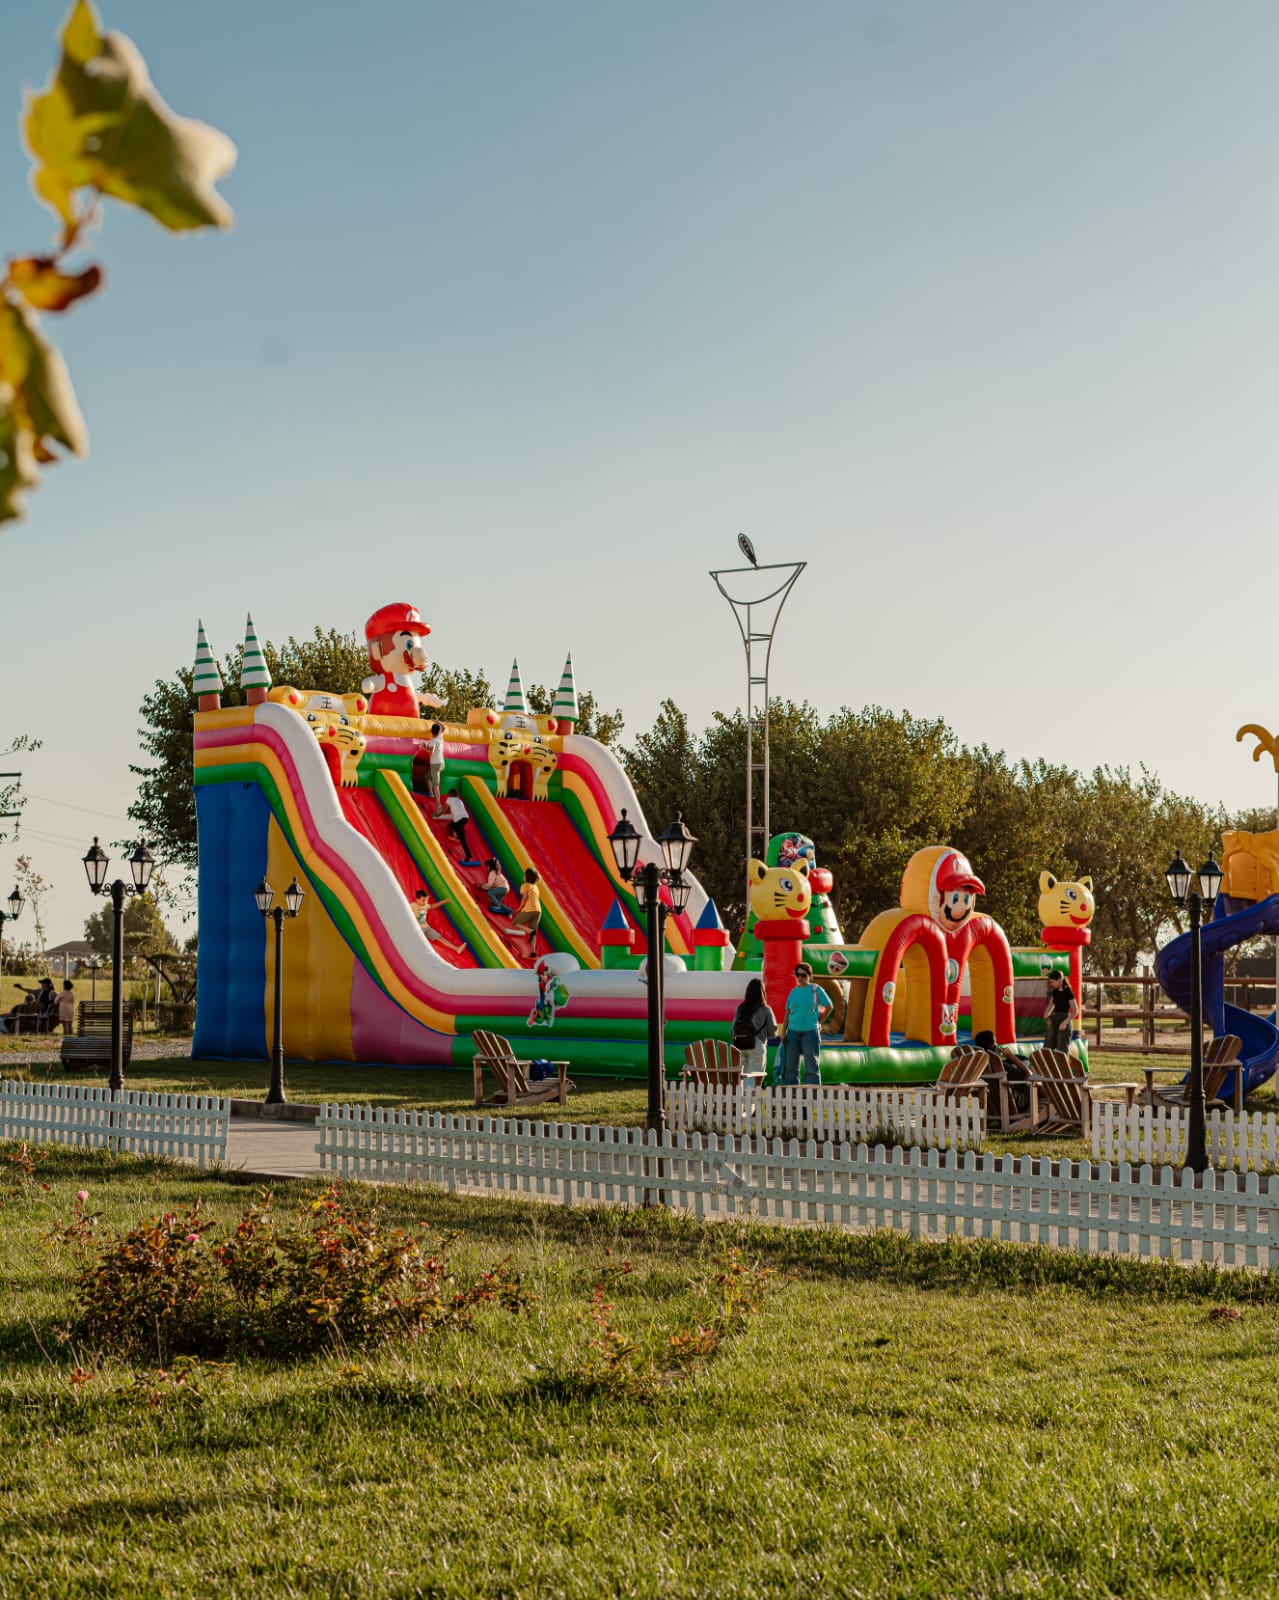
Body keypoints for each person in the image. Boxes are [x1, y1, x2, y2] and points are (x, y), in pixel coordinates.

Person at [780, 963, 830, 1086]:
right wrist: (783, 1032)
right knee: (791, 1066)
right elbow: (788, 1013)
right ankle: (791, 1093)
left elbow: (829, 1006)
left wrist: (819, 1021)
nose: (800, 978)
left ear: (810, 976)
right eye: (798, 975)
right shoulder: (793, 992)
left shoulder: (816, 989)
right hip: (792, 1033)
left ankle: (813, 1094)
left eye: (803, 975)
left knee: (811, 1065)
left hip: (810, 1032)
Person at [970, 1028, 1030, 1118]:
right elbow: (1028, 1074)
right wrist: (1011, 1056)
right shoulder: (1000, 1066)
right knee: (1036, 1080)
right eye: (996, 1042)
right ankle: (1050, 1104)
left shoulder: (979, 1064)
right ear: (991, 1046)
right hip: (1015, 1103)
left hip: (992, 1106)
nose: (998, 1045)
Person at [732, 976, 776, 1088]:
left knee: (740, 1075)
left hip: (739, 1044)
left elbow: (733, 1029)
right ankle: (749, 1098)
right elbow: (773, 1032)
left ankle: (739, 1096)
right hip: (757, 1044)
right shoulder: (765, 1009)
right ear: (762, 992)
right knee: (754, 1075)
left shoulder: (741, 1007)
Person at [411, 887, 464, 956]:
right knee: (421, 940)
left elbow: (433, 906)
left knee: (440, 938)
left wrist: (443, 902)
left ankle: (456, 949)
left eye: (426, 900)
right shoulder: (413, 905)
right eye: (423, 900)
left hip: (426, 927)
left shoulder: (425, 906)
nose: (425, 902)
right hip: (418, 927)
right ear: (417, 899)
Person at [1043, 968, 1078, 1052]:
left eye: (1052, 982)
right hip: (1055, 1020)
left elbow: (1075, 1011)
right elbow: (1051, 1004)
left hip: (1064, 1020)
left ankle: (1062, 1061)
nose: (1051, 984)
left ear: (1059, 980)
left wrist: (1064, 1023)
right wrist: (1047, 1014)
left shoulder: (1068, 992)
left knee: (1061, 1050)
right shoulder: (1055, 991)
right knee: (1047, 1048)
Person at [443, 792, 479, 866]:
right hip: (465, 818)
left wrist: (438, 814)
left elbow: (445, 810)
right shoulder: (460, 801)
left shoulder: (450, 799)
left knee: (462, 839)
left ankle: (468, 855)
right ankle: (459, 834)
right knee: (453, 825)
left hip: (459, 819)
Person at [511, 868, 542, 951]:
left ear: (527, 877)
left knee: (515, 923)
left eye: (524, 875)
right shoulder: (535, 887)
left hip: (530, 909)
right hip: (538, 911)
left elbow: (525, 897)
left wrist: (521, 907)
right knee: (533, 933)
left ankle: (529, 931)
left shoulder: (525, 886)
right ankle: (533, 952)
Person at [422, 722, 446, 817]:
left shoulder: (434, 740)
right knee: (427, 776)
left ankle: (439, 807)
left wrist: (424, 748)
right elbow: (444, 728)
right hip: (441, 763)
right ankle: (431, 794)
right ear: (439, 731)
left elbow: (431, 752)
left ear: (431, 731)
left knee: (436, 785)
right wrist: (436, 721)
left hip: (435, 765)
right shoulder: (440, 737)